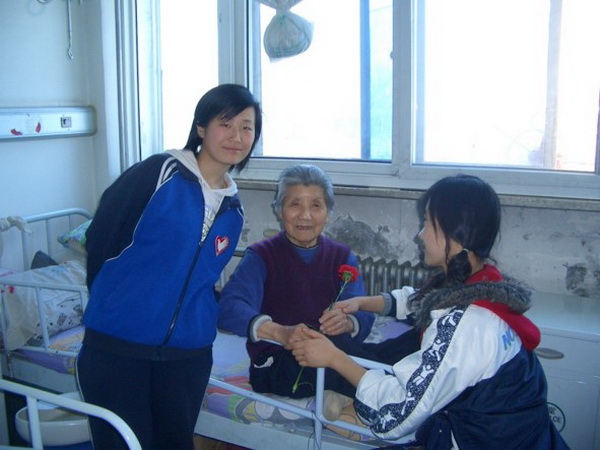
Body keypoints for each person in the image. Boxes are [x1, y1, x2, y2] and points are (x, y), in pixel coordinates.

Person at [291, 174, 568, 449]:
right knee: (381, 348)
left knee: (349, 350)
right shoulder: (483, 283)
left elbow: (396, 416)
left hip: (485, 440)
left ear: (454, 235)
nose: (420, 235)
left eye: (426, 223)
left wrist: (335, 358)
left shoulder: (467, 325)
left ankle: (344, 392)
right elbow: (423, 301)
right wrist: (362, 302)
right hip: (519, 431)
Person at [77, 84, 262, 450]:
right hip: (118, 348)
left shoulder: (233, 210)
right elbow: (101, 237)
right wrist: (117, 300)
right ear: (201, 127)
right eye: (225, 124)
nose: (237, 137)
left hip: (187, 358)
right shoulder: (159, 172)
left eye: (247, 127)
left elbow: (202, 280)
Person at [217, 164, 376, 401]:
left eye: (316, 205)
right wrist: (280, 333)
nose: (305, 215)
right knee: (367, 369)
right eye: (294, 204)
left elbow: (361, 310)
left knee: (396, 352)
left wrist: (348, 322)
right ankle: (361, 395)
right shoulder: (262, 256)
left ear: (328, 212)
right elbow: (229, 307)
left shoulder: (342, 256)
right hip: (279, 360)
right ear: (279, 210)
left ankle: (348, 396)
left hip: (330, 352)